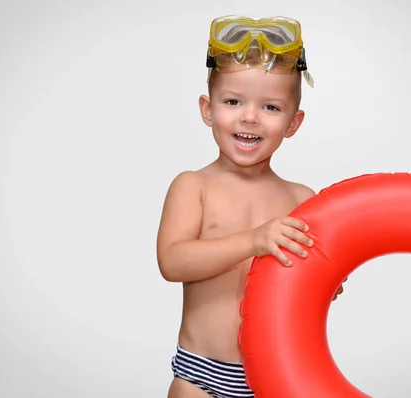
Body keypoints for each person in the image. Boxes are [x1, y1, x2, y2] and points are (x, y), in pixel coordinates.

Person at [156, 15, 345, 398]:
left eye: (271, 108)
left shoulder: (302, 199)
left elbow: (311, 283)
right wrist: (254, 240)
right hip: (201, 377)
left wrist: (327, 283)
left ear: (293, 123)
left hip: (279, 375)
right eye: (232, 101)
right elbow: (172, 262)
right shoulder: (194, 186)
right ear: (208, 109)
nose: (249, 116)